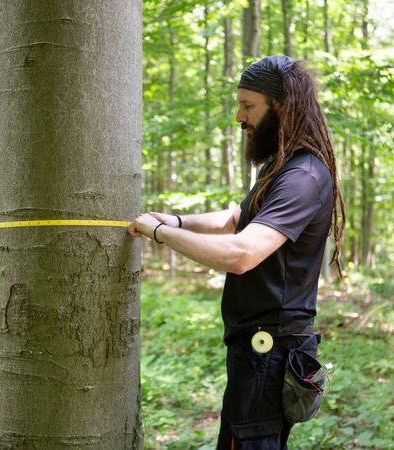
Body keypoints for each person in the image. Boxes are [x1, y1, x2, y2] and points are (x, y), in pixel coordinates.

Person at [129, 55, 346, 449]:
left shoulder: (303, 176)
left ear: (281, 106)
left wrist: (160, 234)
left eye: (248, 106)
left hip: (270, 350)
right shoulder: (280, 167)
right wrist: (176, 221)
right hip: (258, 349)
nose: (239, 117)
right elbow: (235, 220)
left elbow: (242, 253)